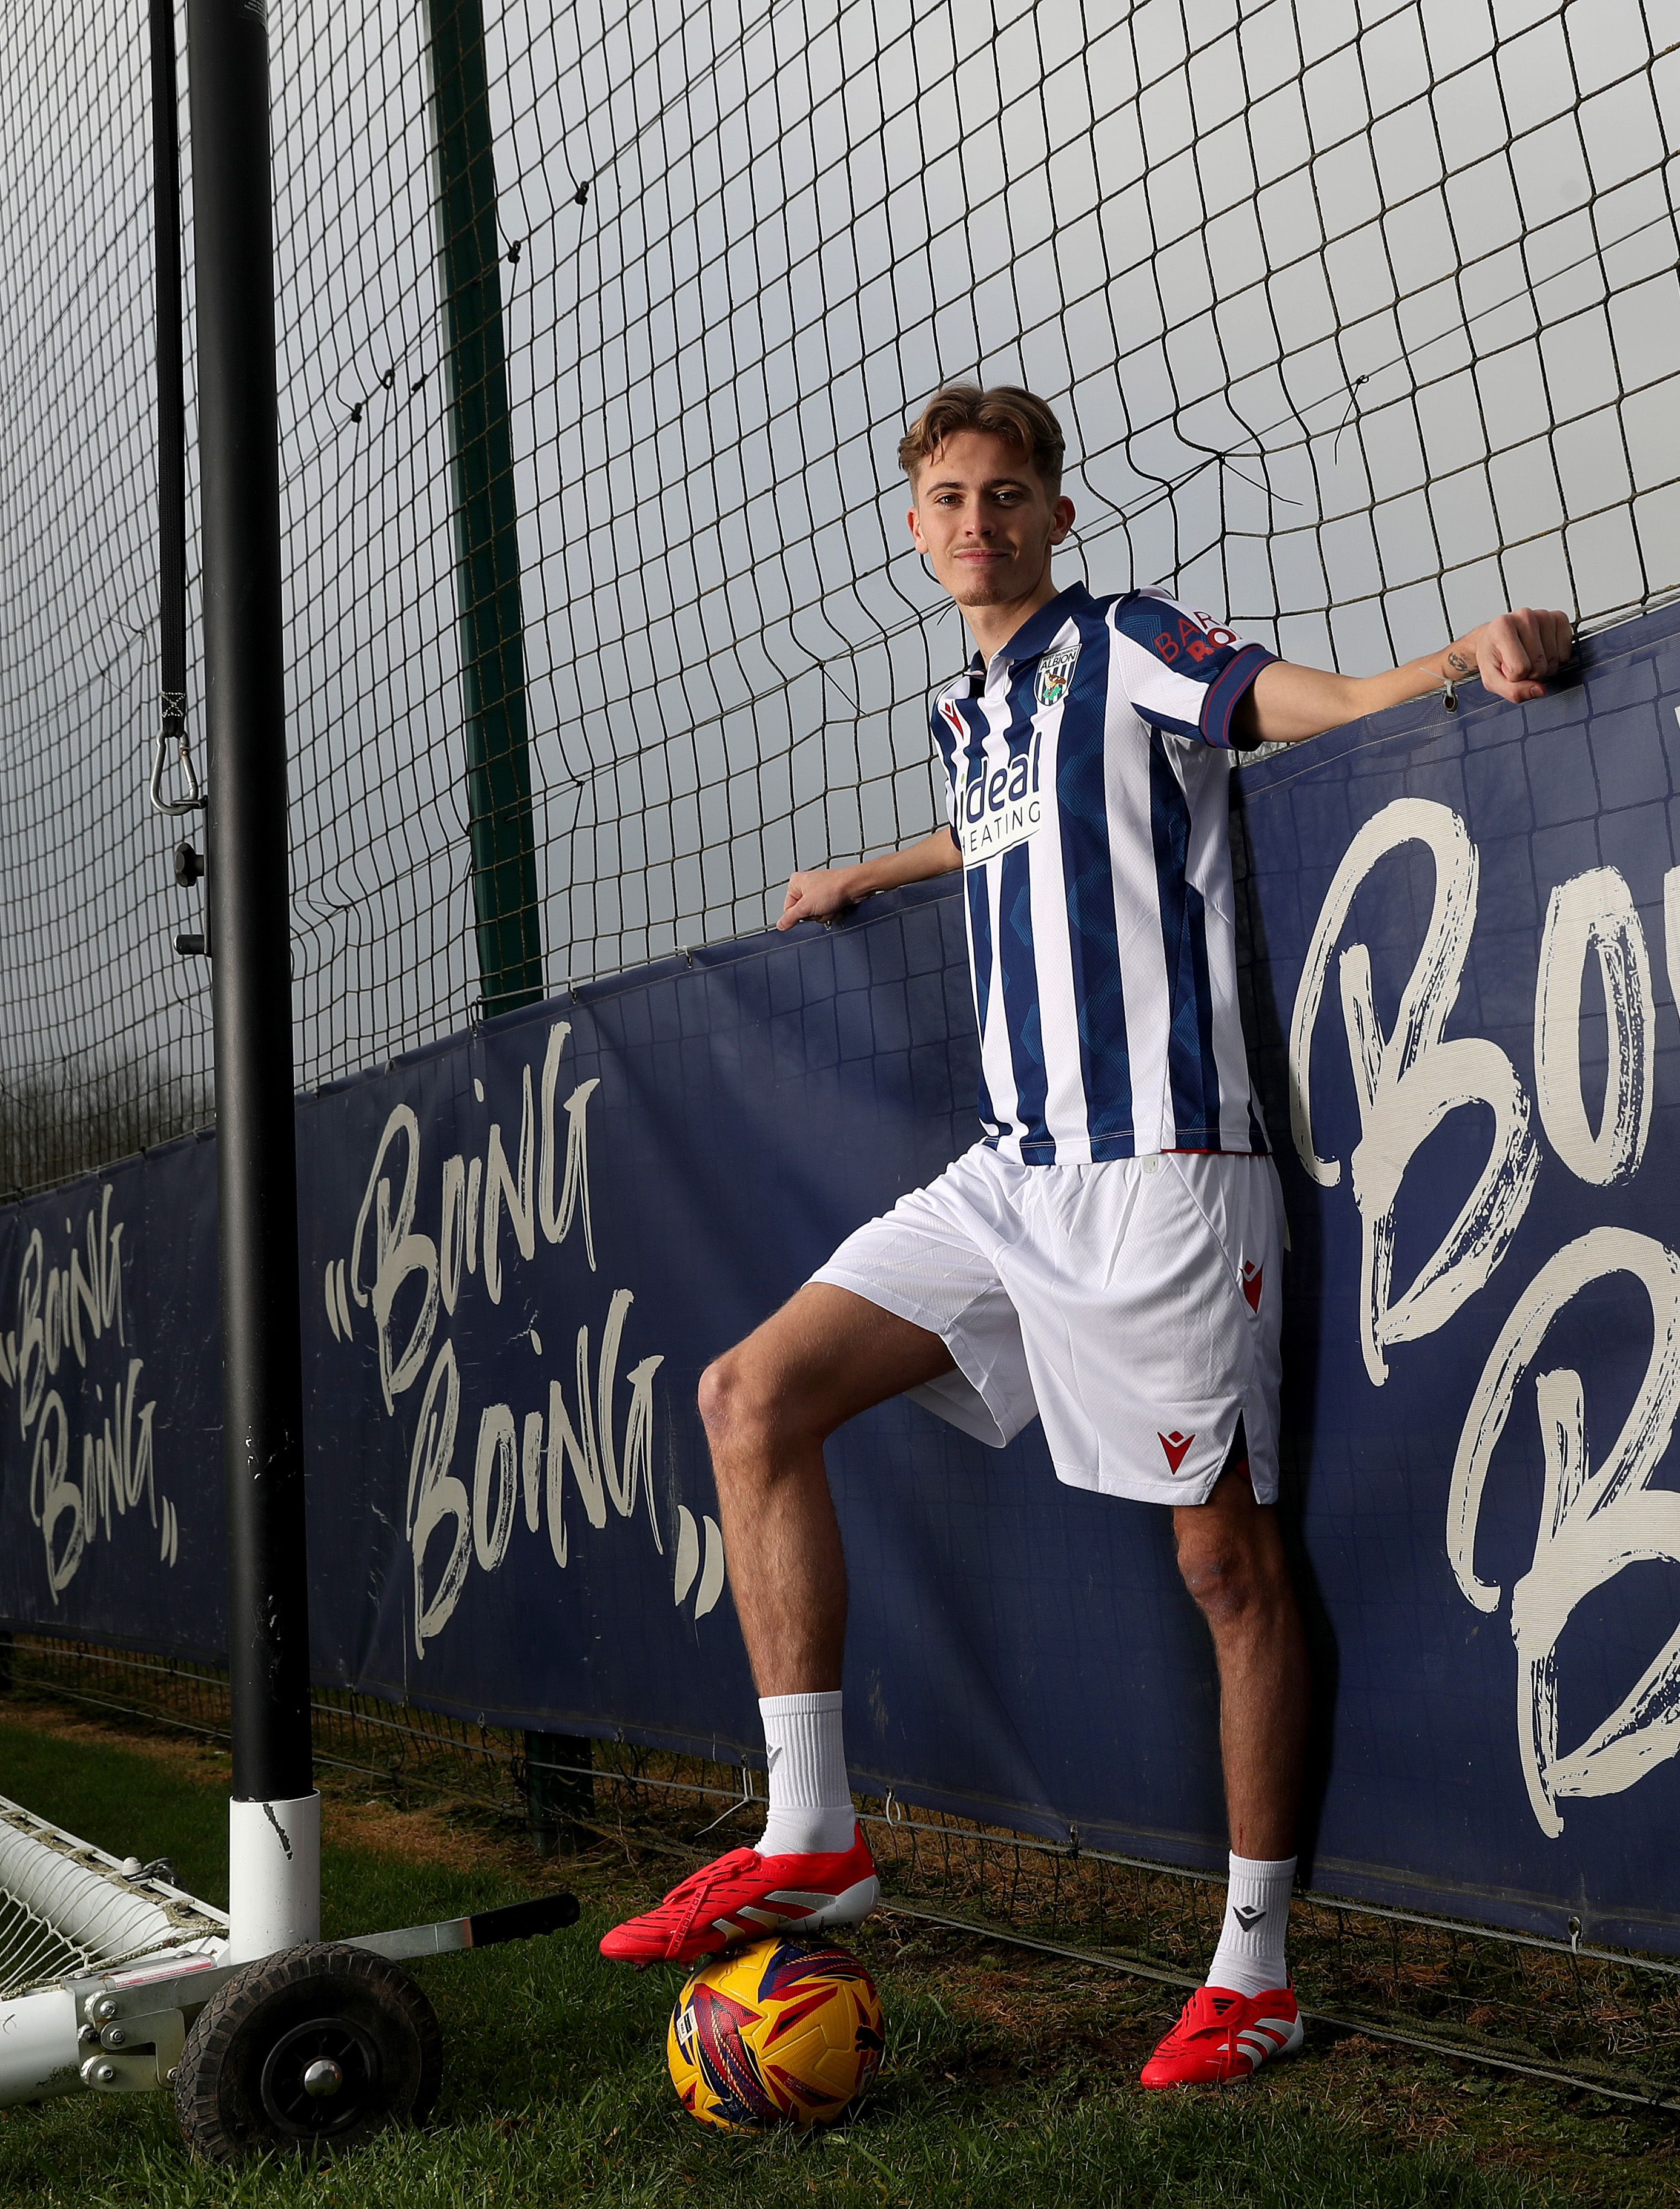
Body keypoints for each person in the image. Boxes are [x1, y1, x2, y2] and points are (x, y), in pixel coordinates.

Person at [600, 384, 1573, 2088]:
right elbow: (1004, 829)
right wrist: (866, 876)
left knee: (1225, 1568)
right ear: (916, 528)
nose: (978, 521)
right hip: (1011, 1175)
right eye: (950, 498)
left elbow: (1304, 705)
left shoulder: (1125, 640)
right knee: (749, 1399)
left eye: (1009, 495)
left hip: (1168, 1175)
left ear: (1055, 516)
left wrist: (1462, 655)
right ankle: (812, 1835)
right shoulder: (964, 710)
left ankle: (1256, 1971)